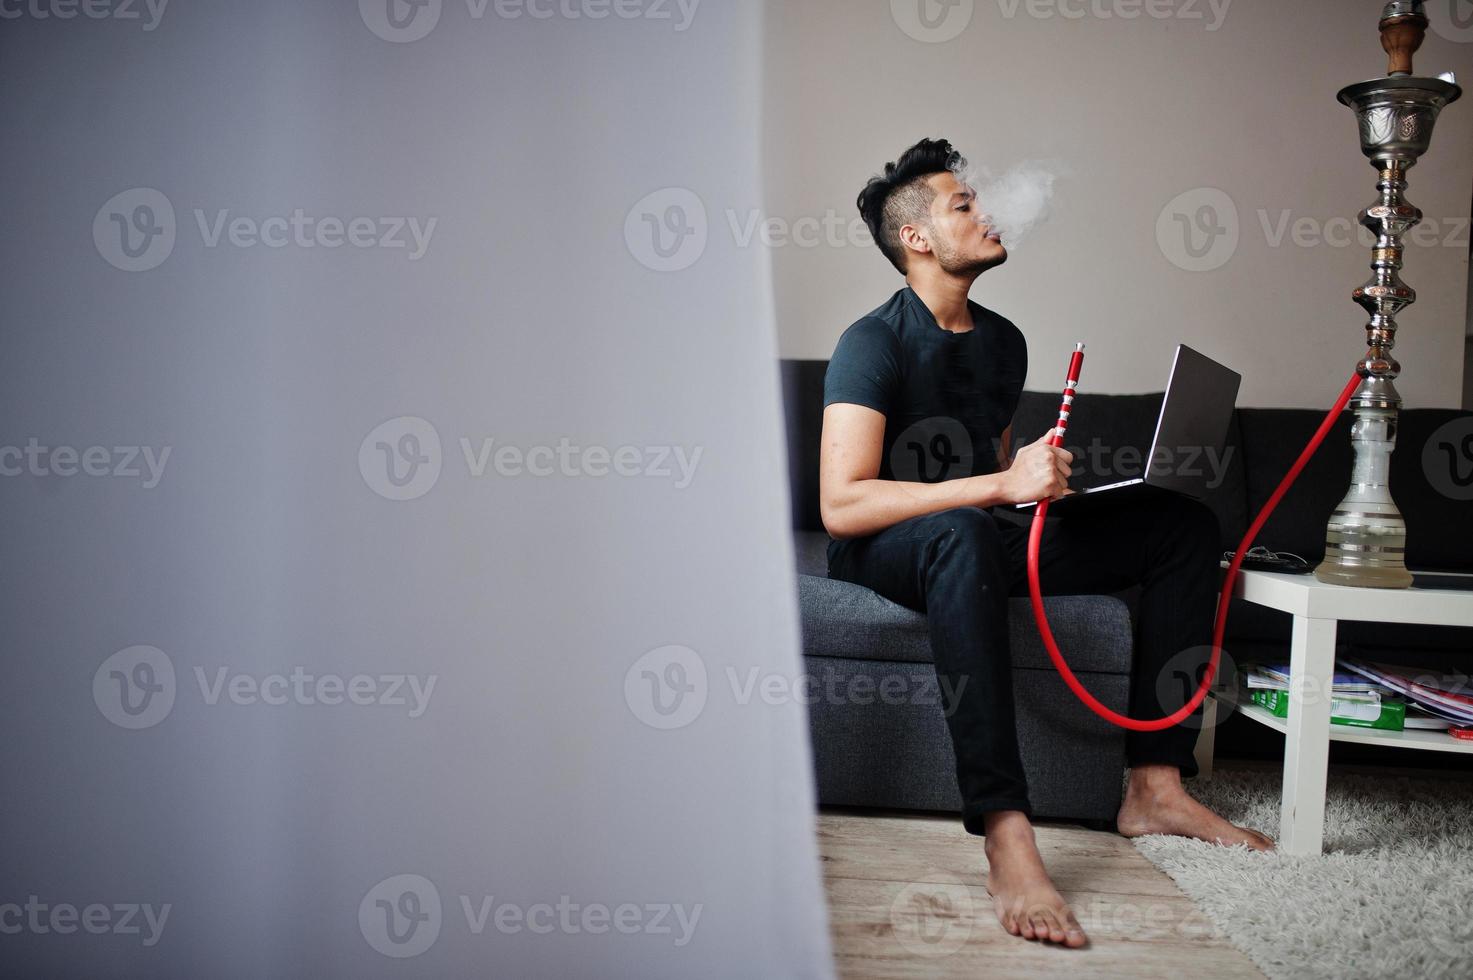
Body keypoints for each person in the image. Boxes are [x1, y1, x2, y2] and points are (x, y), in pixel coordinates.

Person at [820, 137, 1272, 949]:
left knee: (1179, 526)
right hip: (889, 546)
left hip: (975, 531)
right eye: (964, 203)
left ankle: (1154, 787)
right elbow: (842, 505)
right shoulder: (871, 342)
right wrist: (1000, 490)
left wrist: (1036, 491)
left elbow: (994, 470)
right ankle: (1004, 829)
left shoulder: (1002, 341)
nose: (986, 210)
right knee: (960, 531)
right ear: (916, 239)